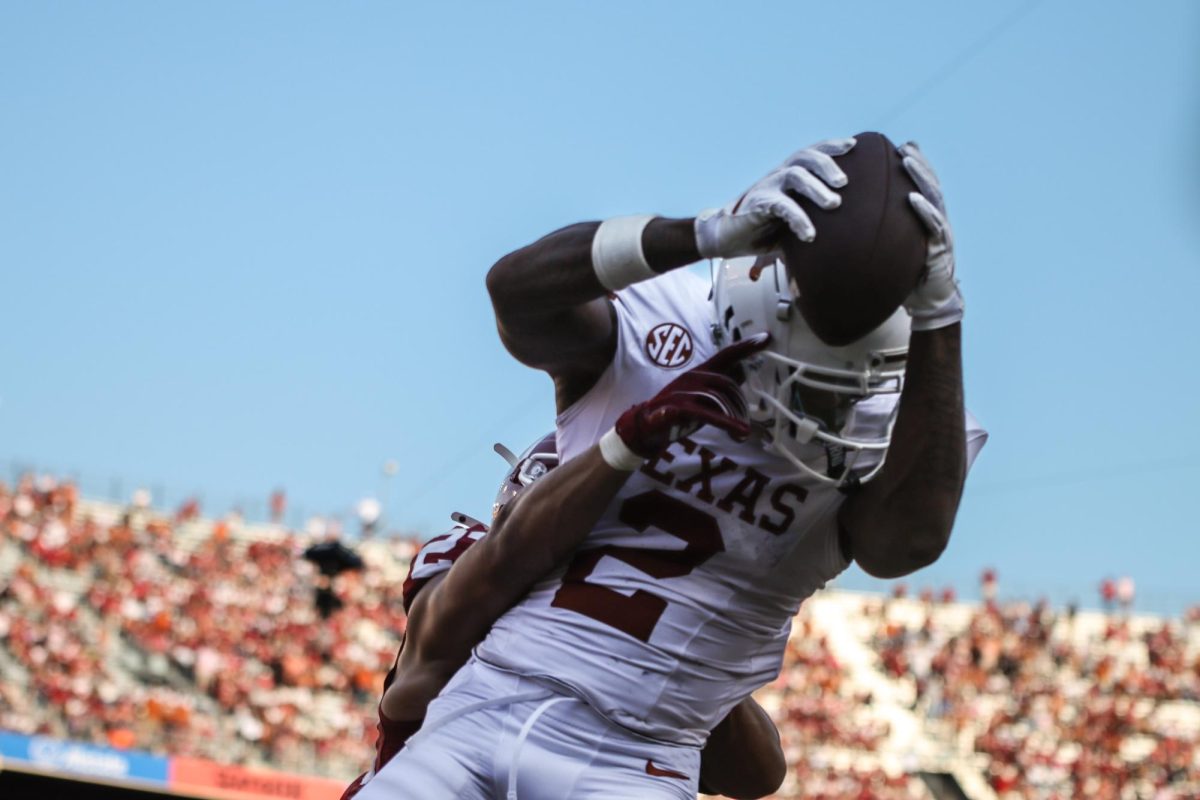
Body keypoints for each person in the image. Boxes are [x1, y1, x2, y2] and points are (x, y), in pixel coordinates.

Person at [363, 137, 988, 799]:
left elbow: (906, 547)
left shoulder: (907, 420)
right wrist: (700, 235)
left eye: (854, 385)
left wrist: (941, 318)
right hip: (491, 703)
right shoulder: (663, 329)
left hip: (642, 756)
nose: (832, 405)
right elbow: (515, 295)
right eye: (814, 382)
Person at [348, 339, 787, 800]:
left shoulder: (651, 627)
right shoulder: (462, 557)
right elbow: (468, 608)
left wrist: (689, 661)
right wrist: (624, 447)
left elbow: (757, 776)